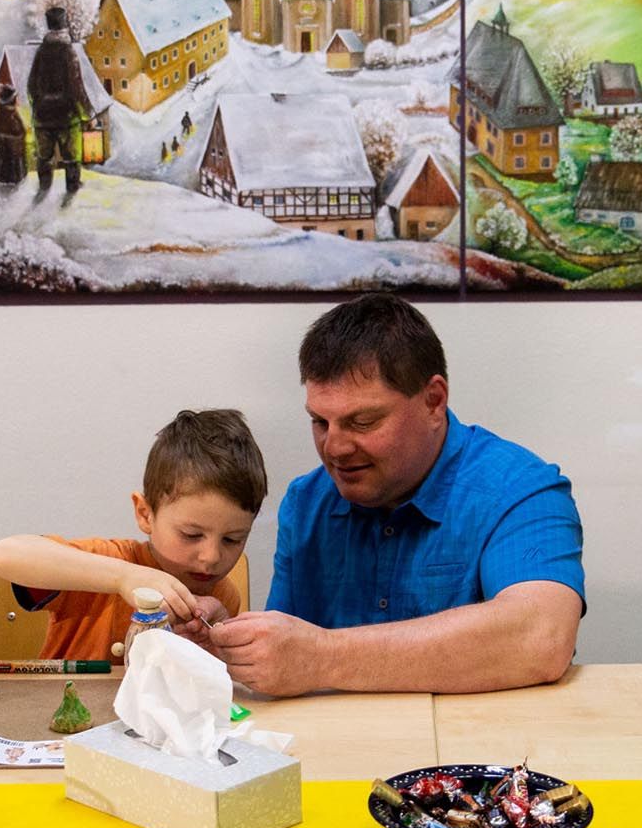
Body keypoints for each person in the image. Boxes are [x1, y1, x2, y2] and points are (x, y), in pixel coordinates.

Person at [210, 293, 584, 695]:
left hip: (483, 749)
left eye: (363, 421)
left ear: (433, 402)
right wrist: (220, 643)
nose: (334, 448)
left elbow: (541, 637)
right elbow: (282, 665)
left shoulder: (521, 489)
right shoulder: (306, 502)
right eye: (320, 421)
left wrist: (320, 657)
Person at [0, 409, 266, 663]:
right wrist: (124, 578)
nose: (211, 557)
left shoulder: (221, 596)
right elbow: (3, 554)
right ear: (145, 514)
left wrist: (216, 641)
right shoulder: (111, 561)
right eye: (191, 535)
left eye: (233, 539)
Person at [26, 5, 89, 196]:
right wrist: (86, 113)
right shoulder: (69, 53)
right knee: (71, 156)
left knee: (44, 157)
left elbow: (30, 86)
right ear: (65, 29)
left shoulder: (40, 53)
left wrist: (38, 105)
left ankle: (44, 189)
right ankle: (72, 188)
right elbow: (76, 89)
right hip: (67, 118)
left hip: (42, 118)